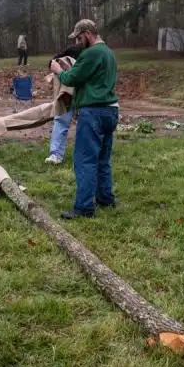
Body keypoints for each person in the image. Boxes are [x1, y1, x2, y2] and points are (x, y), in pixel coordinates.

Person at [49, 19, 118, 219]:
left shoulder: (92, 53)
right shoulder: (109, 53)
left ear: (88, 34)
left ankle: (84, 208)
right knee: (103, 160)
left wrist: (58, 70)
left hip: (93, 113)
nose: (78, 43)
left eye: (79, 38)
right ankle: (106, 198)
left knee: (85, 161)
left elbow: (71, 78)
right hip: (110, 110)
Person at [44, 43, 84, 165]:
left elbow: (51, 63)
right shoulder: (76, 51)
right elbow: (51, 63)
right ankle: (56, 155)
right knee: (62, 121)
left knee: (62, 122)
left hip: (73, 95)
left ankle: (56, 155)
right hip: (69, 94)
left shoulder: (84, 52)